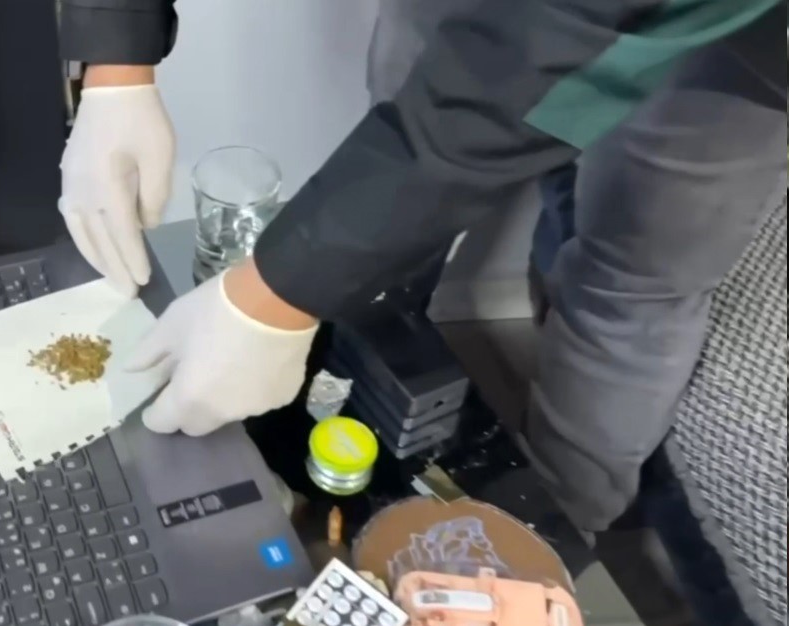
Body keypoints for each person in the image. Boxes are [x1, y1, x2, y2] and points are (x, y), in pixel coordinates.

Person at [56, 0, 784, 606]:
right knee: (424, 214)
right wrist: (118, 66)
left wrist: (271, 297)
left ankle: (543, 542)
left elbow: (538, 51)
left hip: (710, 46)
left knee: (627, 289)